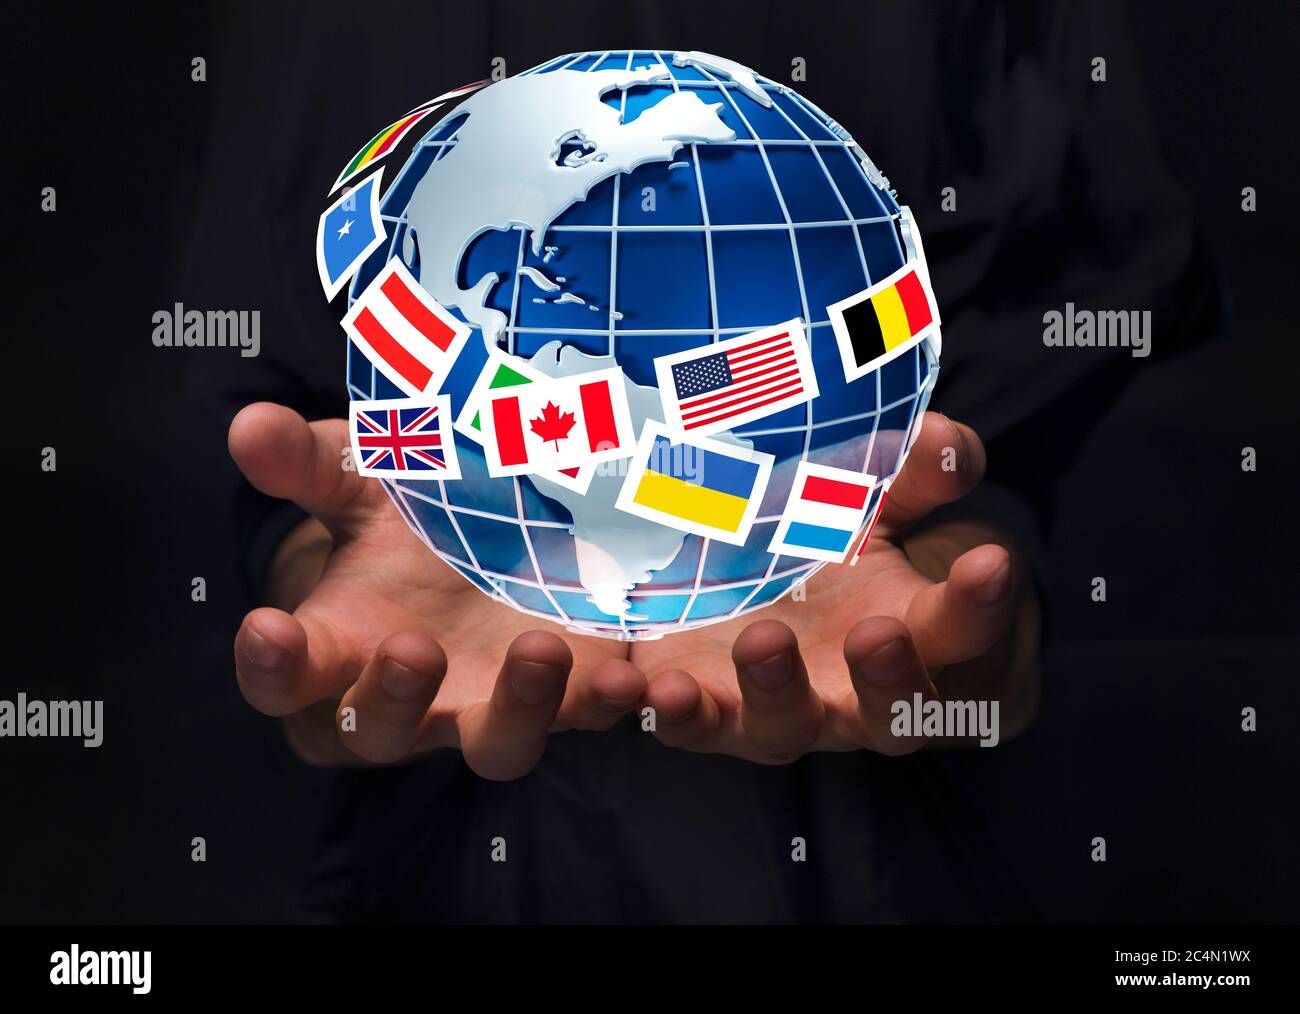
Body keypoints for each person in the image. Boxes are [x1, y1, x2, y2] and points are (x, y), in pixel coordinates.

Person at [194, 1, 1217, 921]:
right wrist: (323, 571)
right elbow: (286, 386)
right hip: (427, 869)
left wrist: (975, 590)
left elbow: (1073, 338)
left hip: (899, 864)